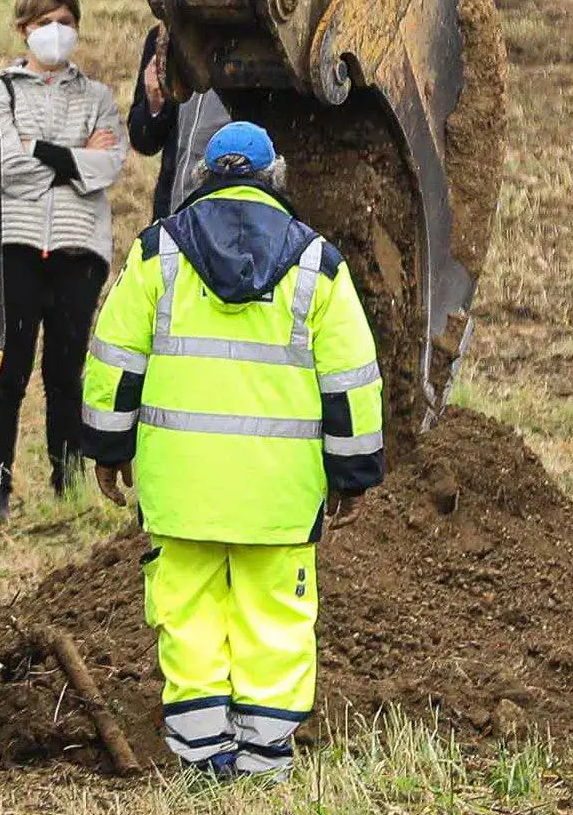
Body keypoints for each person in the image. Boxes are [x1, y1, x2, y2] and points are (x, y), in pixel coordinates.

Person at [80, 121, 384, 779]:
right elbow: (352, 380)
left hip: (181, 485)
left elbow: (112, 358)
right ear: (276, 174)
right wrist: (353, 473)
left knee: (186, 609)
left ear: (200, 176)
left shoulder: (157, 252)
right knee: (273, 615)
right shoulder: (317, 263)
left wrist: (107, 447)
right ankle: (263, 757)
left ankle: (200, 753)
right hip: (279, 490)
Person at [0, 0, 127, 519]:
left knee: (65, 373)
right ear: (23, 30)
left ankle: (70, 485)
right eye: (44, 24)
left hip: (77, 251)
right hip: (14, 246)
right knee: (7, 373)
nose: (55, 34)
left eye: (64, 22)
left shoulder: (98, 97)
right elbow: (1, 165)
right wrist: (71, 159)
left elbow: (108, 165)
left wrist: (38, 150)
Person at [127, 22, 232, 220]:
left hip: (233, 213)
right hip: (174, 214)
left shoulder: (264, 45)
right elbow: (144, 141)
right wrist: (154, 104)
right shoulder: (166, 38)